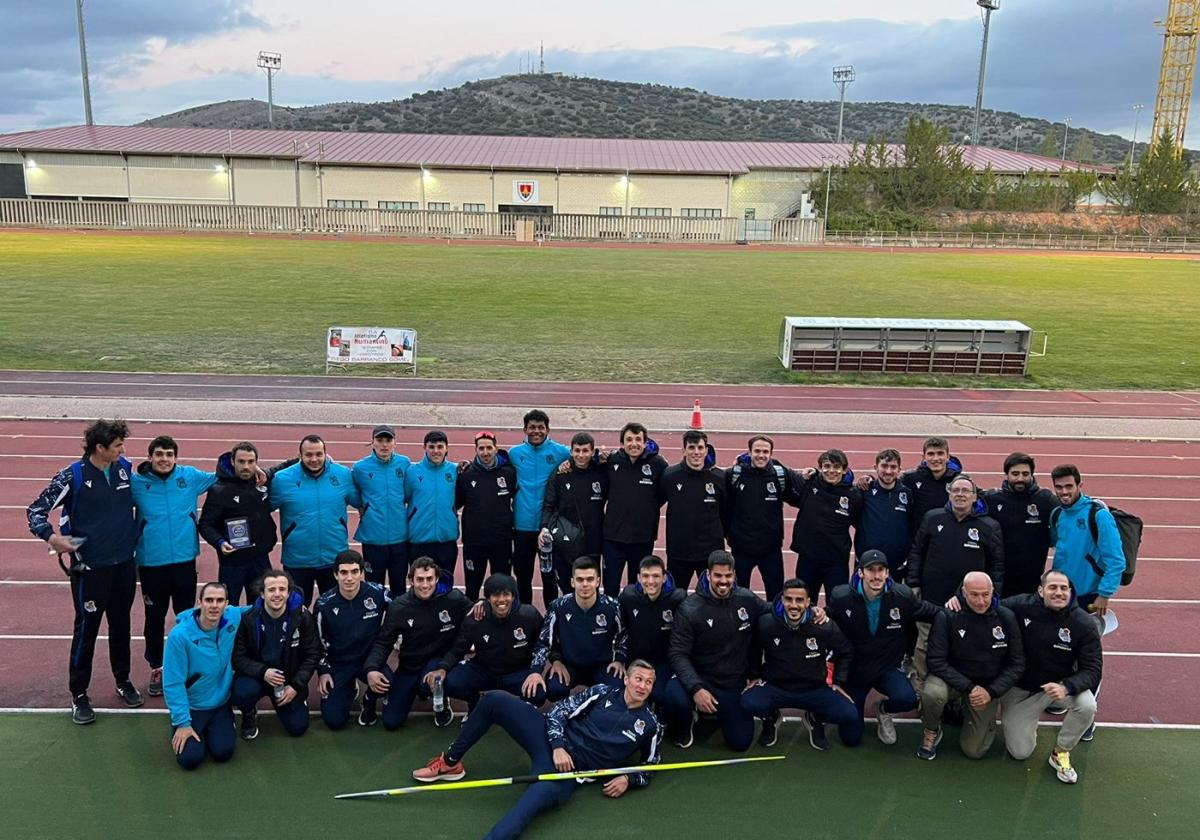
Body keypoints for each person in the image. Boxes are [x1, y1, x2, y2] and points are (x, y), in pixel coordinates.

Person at [411, 661, 662, 840]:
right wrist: (558, 746)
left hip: (568, 774)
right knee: (495, 700)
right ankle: (451, 761)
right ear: (627, 679)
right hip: (551, 741)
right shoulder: (601, 692)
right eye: (638, 679)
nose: (642, 686)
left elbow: (651, 765)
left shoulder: (651, 725)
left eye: (648, 682)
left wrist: (629, 778)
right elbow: (557, 713)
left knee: (527, 807)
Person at [27, 418, 143, 724]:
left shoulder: (124, 468)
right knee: (87, 632)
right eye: (118, 445)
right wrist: (52, 538)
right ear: (100, 447)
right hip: (90, 570)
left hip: (123, 565)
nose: (123, 449)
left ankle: (123, 680)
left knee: (122, 626)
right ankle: (79, 694)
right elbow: (35, 510)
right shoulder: (72, 476)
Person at [130, 435, 219, 697]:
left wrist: (259, 470)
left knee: (186, 616)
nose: (164, 459)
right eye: (159, 454)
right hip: (151, 564)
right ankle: (157, 666)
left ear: (176, 457)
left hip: (184, 561)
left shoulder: (189, 477)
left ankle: (186, 664)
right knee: (154, 618)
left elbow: (225, 474)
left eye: (169, 455)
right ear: (150, 457)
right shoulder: (137, 484)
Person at [827, 549, 941, 746]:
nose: (876, 575)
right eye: (871, 570)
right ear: (860, 572)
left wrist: (959, 608)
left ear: (888, 573)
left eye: (881, 570)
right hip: (856, 670)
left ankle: (884, 710)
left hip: (886, 667)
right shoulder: (841, 596)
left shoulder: (903, 596)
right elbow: (827, 626)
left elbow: (932, 613)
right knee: (851, 738)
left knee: (907, 699)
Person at [1000, 570, 1101, 784]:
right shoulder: (1020, 606)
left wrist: (1067, 687)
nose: (1059, 593)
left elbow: (1092, 670)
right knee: (1019, 752)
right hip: (1020, 689)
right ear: (1040, 590)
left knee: (1087, 705)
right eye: (1052, 587)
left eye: (1064, 588)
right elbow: (985, 604)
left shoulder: (1083, 623)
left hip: (1057, 688)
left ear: (1070, 592)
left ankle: (1061, 752)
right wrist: (957, 598)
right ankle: (1027, 722)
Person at [666, 551, 768, 751]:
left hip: (731, 681)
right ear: (708, 575)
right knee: (673, 696)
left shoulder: (746, 599)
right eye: (718, 576)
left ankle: (722, 713)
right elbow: (677, 653)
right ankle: (685, 722)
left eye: (728, 576)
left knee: (740, 743)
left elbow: (774, 612)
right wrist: (696, 688)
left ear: (734, 575)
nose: (723, 581)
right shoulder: (690, 608)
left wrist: (813, 611)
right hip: (701, 676)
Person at [906, 475, 1004, 680]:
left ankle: (956, 691)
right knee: (924, 642)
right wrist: (914, 582)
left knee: (962, 644)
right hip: (932, 594)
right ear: (949, 493)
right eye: (956, 490)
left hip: (968, 600)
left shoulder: (989, 526)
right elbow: (917, 551)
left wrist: (992, 596)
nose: (960, 494)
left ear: (975, 496)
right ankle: (920, 684)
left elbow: (996, 565)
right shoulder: (932, 517)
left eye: (965, 491)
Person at [918, 572, 1023, 760]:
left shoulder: (1006, 617)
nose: (981, 601)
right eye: (974, 594)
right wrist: (970, 687)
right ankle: (931, 729)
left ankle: (960, 709)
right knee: (933, 694)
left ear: (993, 592)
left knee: (974, 751)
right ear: (963, 592)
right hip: (954, 681)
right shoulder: (948, 615)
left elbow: (1017, 664)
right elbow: (936, 660)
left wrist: (990, 692)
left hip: (986, 688)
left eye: (985, 594)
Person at [742, 577, 857, 750]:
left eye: (799, 600)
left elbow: (846, 651)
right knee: (747, 702)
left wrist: (838, 682)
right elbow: (753, 649)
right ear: (782, 599)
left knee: (849, 713)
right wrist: (754, 676)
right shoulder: (766, 624)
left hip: (813, 688)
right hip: (776, 687)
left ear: (808, 602)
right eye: (789, 599)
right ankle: (770, 718)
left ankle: (815, 719)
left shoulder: (823, 626)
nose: (793, 605)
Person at [364, 556, 473, 729]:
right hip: (410, 665)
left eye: (429, 579)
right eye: (419, 579)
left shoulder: (454, 598)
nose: (425, 585)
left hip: (439, 662)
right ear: (411, 580)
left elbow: (475, 614)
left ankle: (440, 697)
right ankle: (414, 690)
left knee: (431, 682)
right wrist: (371, 669)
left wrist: (483, 603)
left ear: (437, 578)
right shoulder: (399, 606)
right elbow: (384, 642)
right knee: (391, 722)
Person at [269, 434, 362, 607]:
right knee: (297, 611)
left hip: (334, 557)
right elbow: (261, 510)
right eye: (309, 455)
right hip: (298, 559)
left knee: (334, 611)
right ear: (300, 456)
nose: (314, 459)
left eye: (319, 454)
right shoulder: (282, 479)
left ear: (326, 454)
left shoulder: (342, 475)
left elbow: (361, 502)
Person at [433, 573, 548, 712]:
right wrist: (442, 668)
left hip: (516, 672)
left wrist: (535, 672)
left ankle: (516, 710)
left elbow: (542, 643)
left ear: (513, 596)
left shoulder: (529, 615)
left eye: (506, 595)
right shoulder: (475, 618)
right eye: (495, 595)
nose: (501, 600)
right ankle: (476, 701)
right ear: (488, 598)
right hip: (484, 670)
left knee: (538, 693)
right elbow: (458, 648)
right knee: (449, 682)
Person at [162, 582, 245, 770]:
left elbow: (264, 606)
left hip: (221, 704)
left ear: (227, 604)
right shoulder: (179, 637)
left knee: (223, 753)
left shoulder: (232, 618)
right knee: (189, 760)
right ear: (199, 603)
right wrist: (182, 723)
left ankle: (218, 728)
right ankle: (182, 725)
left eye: (219, 600)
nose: (214, 605)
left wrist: (294, 602)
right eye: (209, 600)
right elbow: (173, 683)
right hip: (193, 707)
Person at [231, 570, 321, 740]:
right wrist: (263, 671)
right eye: (271, 590)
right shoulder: (249, 619)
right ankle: (249, 713)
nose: (277, 594)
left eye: (282, 589)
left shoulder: (302, 617)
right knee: (241, 693)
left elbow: (312, 654)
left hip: (288, 680)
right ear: (262, 594)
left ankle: (295, 700)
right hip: (258, 676)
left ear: (288, 593)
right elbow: (238, 657)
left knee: (298, 727)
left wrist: (295, 686)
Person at [314, 550, 391, 729]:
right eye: (344, 572)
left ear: (361, 572)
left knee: (389, 684)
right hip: (339, 663)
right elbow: (317, 642)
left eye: (355, 572)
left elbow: (402, 608)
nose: (349, 578)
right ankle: (350, 688)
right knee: (334, 721)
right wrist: (323, 671)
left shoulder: (378, 593)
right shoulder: (324, 604)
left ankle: (369, 700)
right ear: (335, 574)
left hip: (369, 660)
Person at [533, 556, 628, 700]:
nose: (585, 584)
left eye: (590, 579)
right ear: (572, 582)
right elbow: (544, 641)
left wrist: (619, 659)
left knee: (618, 687)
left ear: (597, 581)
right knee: (554, 689)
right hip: (569, 666)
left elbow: (624, 635)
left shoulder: (612, 606)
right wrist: (551, 663)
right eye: (580, 580)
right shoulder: (558, 607)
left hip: (602, 666)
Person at [198, 442, 278, 606]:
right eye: (241, 462)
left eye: (250, 462)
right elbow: (205, 524)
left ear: (256, 463)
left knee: (261, 609)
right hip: (232, 563)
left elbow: (285, 467)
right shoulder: (219, 490)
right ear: (232, 461)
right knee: (229, 609)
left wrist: (323, 458)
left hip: (260, 559)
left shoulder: (262, 481)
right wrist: (219, 542)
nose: (246, 466)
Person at [725, 434, 800, 602]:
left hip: (770, 549)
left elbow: (800, 498)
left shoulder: (779, 476)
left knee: (775, 597)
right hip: (741, 548)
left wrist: (813, 475)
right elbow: (722, 505)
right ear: (749, 452)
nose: (761, 455)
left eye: (765, 451)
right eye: (757, 451)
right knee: (738, 597)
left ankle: (772, 628)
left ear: (771, 454)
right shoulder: (734, 475)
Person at [1049, 464, 1126, 627]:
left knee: (1085, 648)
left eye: (1069, 486)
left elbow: (1116, 560)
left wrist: (1104, 594)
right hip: (1060, 594)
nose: (1064, 492)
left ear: (1080, 485)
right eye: (1059, 487)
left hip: (1088, 596)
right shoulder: (1057, 514)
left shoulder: (1098, 515)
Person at [509, 410, 571, 605]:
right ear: (525, 429)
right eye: (532, 427)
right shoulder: (514, 454)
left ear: (548, 429)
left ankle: (551, 618)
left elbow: (582, 460)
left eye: (540, 428)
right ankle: (526, 617)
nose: (536, 431)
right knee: (523, 577)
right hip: (522, 527)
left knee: (549, 577)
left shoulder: (561, 452)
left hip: (549, 527)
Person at [601, 422, 667, 594]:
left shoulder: (658, 464)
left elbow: (663, 494)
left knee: (637, 588)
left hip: (642, 538)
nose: (634, 444)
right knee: (610, 586)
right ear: (622, 444)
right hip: (613, 537)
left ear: (645, 442)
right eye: (629, 439)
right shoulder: (612, 461)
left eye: (638, 439)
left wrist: (646, 507)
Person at [790, 448, 862, 605]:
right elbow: (782, 472)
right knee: (805, 603)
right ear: (821, 468)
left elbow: (861, 524)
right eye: (827, 466)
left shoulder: (853, 495)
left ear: (844, 470)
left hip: (836, 563)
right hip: (808, 560)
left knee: (837, 605)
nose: (831, 471)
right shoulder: (809, 484)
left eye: (836, 467)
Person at [539, 432, 608, 593]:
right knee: (567, 586)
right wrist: (544, 527)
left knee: (590, 586)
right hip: (566, 539)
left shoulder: (602, 472)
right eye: (577, 451)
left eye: (585, 451)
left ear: (592, 452)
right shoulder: (561, 473)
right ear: (571, 451)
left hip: (593, 539)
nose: (581, 455)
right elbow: (549, 503)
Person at [659, 430, 727, 591]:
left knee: (711, 597)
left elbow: (727, 512)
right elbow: (655, 502)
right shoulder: (670, 476)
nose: (696, 452)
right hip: (679, 551)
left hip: (710, 551)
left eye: (700, 447)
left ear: (706, 450)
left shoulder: (720, 478)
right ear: (684, 450)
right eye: (691, 447)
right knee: (675, 596)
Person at [457, 430, 518, 601]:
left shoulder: (509, 473)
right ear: (475, 450)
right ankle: (470, 624)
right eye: (481, 448)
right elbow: (456, 503)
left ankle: (501, 623)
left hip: (501, 541)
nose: (485, 452)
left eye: (489, 448)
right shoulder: (466, 474)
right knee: (472, 587)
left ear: (496, 448)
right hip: (474, 542)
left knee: (502, 587)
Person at [984, 453, 1057, 597]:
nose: (1020, 479)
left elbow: (1070, 509)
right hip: (1000, 578)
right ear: (1006, 475)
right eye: (1015, 474)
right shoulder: (992, 499)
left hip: (1031, 578)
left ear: (1032, 475)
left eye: (1025, 474)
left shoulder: (1045, 499)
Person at [618, 555, 686, 706]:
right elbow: (620, 630)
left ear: (664, 577)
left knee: (661, 696)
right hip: (636, 659)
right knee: (626, 693)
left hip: (663, 661)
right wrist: (619, 659)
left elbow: (684, 635)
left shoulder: (677, 598)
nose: (650, 581)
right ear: (638, 577)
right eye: (645, 576)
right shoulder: (628, 596)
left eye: (656, 576)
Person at [352, 424, 411, 595]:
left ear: (394, 443)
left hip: (400, 537)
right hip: (373, 538)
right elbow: (351, 492)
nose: (384, 445)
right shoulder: (360, 468)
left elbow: (408, 493)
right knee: (374, 589)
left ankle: (397, 622)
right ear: (373, 443)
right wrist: (363, 507)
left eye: (388, 440)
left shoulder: (404, 463)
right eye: (380, 440)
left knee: (399, 587)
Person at [406, 430, 460, 575]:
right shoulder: (412, 472)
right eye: (431, 447)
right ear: (424, 448)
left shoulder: (455, 471)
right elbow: (403, 498)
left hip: (446, 541)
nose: (436, 451)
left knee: (444, 589)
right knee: (421, 589)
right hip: (419, 541)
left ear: (447, 448)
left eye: (440, 447)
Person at [854, 449, 914, 579]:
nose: (888, 471)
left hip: (896, 565)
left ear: (899, 470)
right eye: (884, 466)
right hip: (866, 563)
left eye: (893, 467)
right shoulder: (864, 491)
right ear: (876, 467)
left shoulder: (907, 494)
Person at [901, 437, 964, 523]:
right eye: (931, 454)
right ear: (924, 457)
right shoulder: (910, 479)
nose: (935, 458)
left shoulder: (959, 481)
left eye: (940, 453)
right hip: (919, 534)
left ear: (948, 457)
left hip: (947, 534)